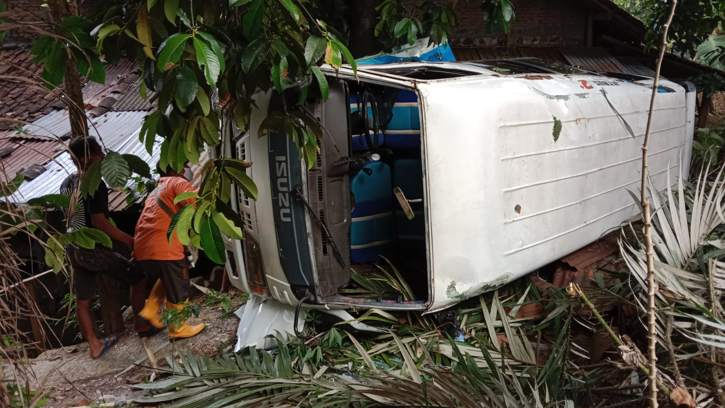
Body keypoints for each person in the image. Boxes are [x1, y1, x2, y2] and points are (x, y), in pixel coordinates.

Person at [61, 137, 149, 359]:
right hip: (92, 248)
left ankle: (94, 345)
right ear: (90, 156)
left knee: (83, 301)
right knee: (137, 275)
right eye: (100, 152)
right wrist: (129, 240)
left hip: (73, 246)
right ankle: (143, 324)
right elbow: (99, 221)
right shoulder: (95, 184)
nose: (103, 156)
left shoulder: (67, 183)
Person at [134, 165, 205, 340]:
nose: (187, 169)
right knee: (178, 283)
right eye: (184, 165)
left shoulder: (158, 188)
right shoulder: (178, 182)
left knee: (168, 278)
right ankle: (178, 328)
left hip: (143, 244)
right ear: (176, 168)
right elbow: (197, 208)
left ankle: (151, 308)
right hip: (163, 244)